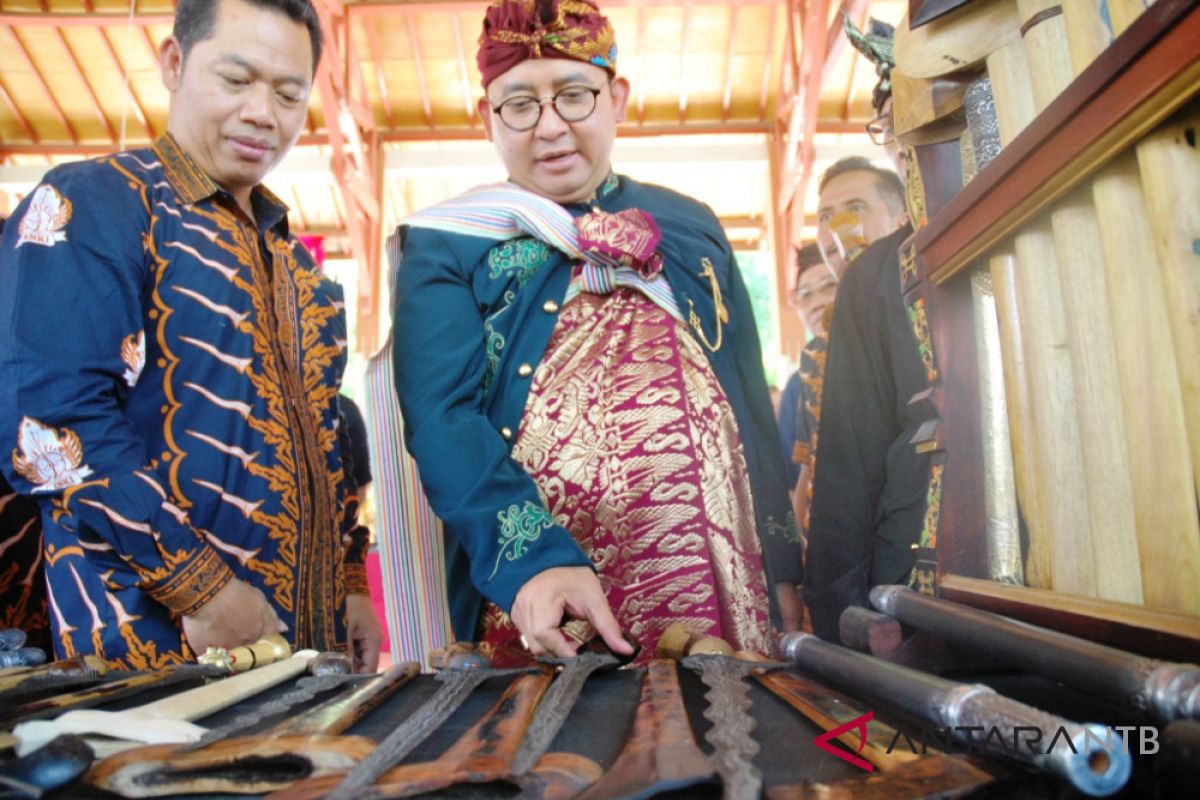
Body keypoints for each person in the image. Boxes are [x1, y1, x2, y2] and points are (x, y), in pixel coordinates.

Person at [390, 0, 801, 665]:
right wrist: (531, 561)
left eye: (573, 96)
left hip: (711, 577)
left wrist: (784, 569)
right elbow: (440, 418)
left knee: (725, 745)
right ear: (486, 118)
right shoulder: (449, 243)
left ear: (618, 98)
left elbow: (748, 401)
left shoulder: (691, 225)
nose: (549, 128)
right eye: (519, 105)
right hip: (544, 590)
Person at [0, 0, 380, 671]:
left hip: (309, 661)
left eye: (289, 93)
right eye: (237, 80)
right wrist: (201, 588)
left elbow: (333, 451)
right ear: (174, 64)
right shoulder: (96, 203)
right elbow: (48, 423)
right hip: (147, 665)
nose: (264, 113)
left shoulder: (308, 281)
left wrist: (351, 585)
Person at [802, 18, 932, 642]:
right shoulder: (876, 278)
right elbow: (844, 476)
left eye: (855, 210)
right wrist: (835, 620)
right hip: (908, 580)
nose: (838, 229)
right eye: (825, 216)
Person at [777, 243, 837, 490]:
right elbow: (794, 479)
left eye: (829, 286)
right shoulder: (798, 384)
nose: (816, 303)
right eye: (805, 295)